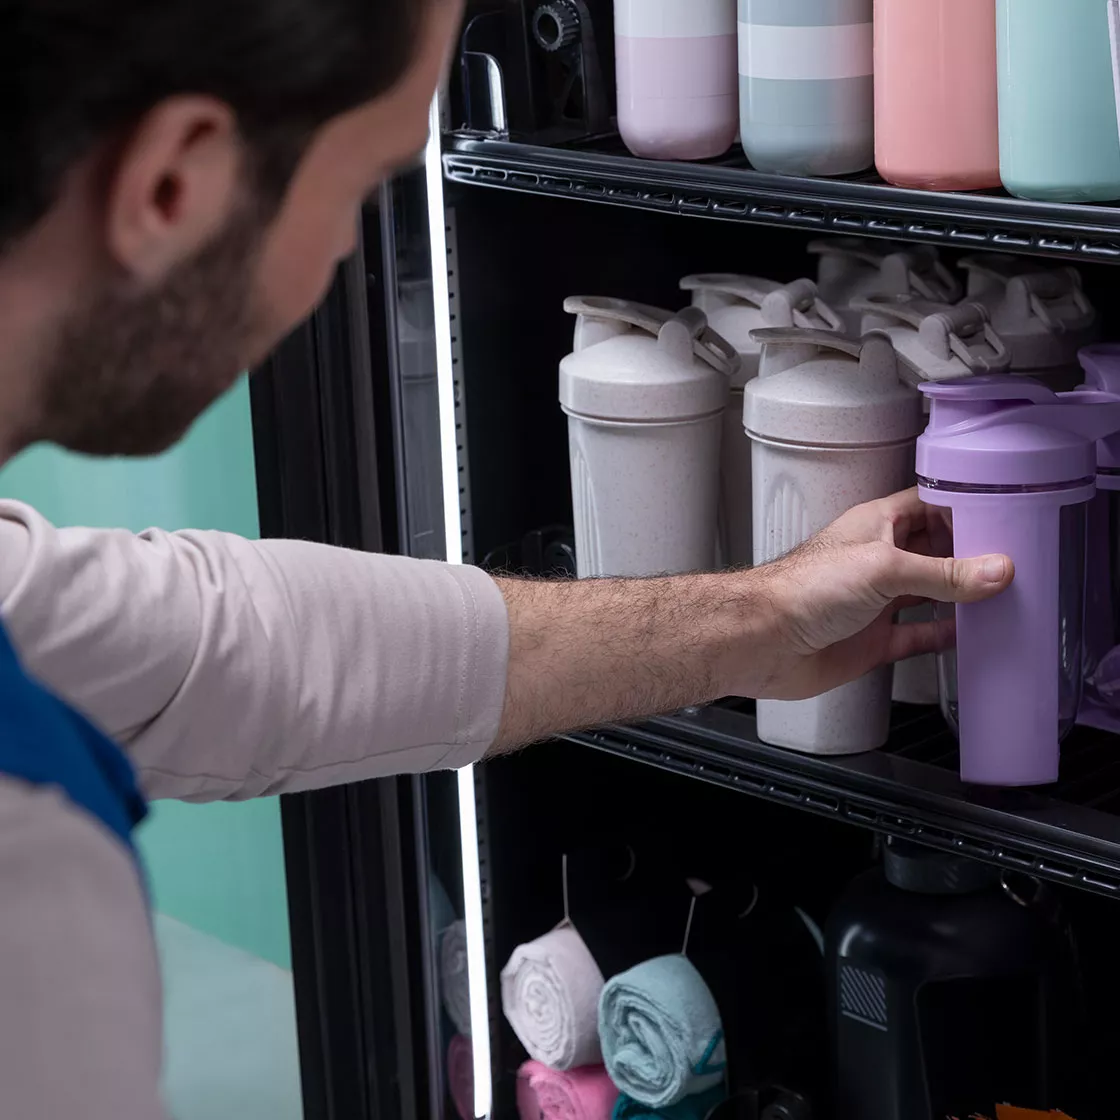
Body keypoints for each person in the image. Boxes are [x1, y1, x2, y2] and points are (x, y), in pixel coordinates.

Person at [0, 0, 1012, 1115]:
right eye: (361, 185)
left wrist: (761, 620)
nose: (347, 249)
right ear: (172, 188)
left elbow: (226, 643)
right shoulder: (32, 868)